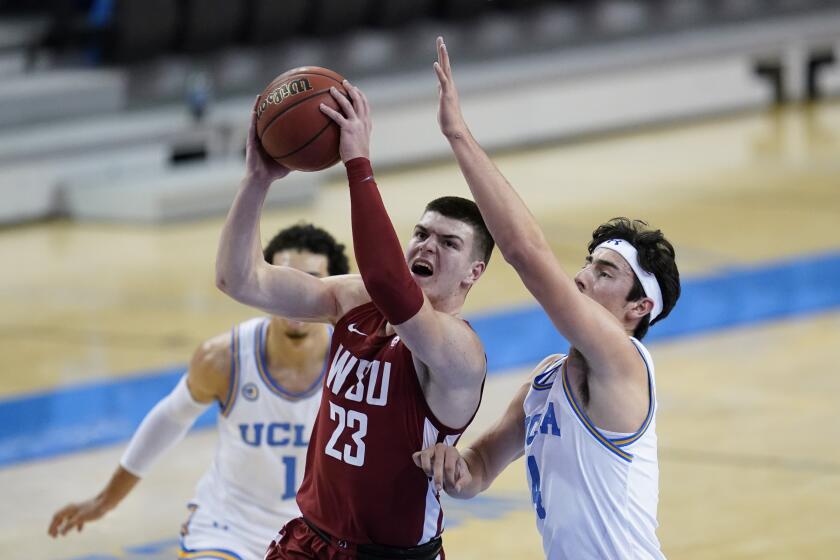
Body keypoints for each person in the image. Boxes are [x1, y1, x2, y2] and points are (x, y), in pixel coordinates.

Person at [413, 37, 681, 559]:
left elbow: (525, 253)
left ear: (638, 308)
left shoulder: (624, 363)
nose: (581, 279)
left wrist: (458, 135)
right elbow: (481, 468)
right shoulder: (545, 381)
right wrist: (454, 467)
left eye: (604, 273)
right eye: (587, 265)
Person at [215, 81, 494, 559]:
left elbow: (389, 281)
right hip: (309, 541)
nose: (427, 246)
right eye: (421, 233)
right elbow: (239, 280)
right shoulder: (355, 300)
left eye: (448, 243)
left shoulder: (458, 354)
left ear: (475, 272)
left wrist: (358, 164)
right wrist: (256, 181)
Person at [48, 223, 350, 560]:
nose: (294, 294)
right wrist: (106, 499)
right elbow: (171, 417)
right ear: (266, 287)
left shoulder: (359, 363)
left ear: (333, 289)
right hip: (228, 528)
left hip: (318, 535)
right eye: (284, 279)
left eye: (309, 280)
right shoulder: (224, 358)